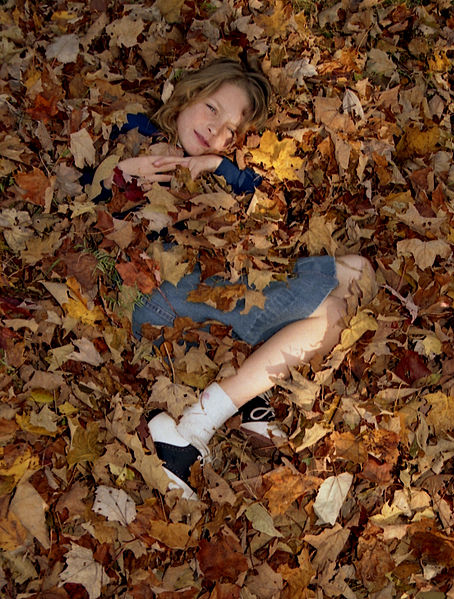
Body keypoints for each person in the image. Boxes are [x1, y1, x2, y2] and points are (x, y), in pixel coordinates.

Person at [96, 58, 376, 499]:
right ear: (185, 94)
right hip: (159, 295)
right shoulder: (139, 132)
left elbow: (269, 203)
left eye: (230, 129)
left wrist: (215, 166)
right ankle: (204, 424)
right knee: (334, 312)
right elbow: (80, 214)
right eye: (212, 109)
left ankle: (241, 403)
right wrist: (121, 176)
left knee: (360, 272)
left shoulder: (214, 170)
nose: (217, 131)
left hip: (207, 291)